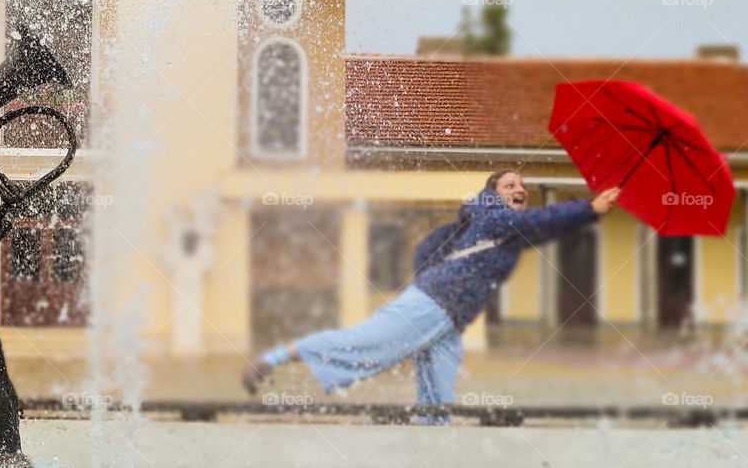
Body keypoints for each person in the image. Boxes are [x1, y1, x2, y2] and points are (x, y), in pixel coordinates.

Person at [242, 170, 620, 419]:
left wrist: (591, 211)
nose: (520, 189)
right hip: (430, 305)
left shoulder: (509, 229)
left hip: (447, 322)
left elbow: (543, 227)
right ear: (493, 193)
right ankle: (273, 358)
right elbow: (539, 221)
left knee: (437, 404)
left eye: (523, 187)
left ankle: (427, 451)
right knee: (366, 346)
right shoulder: (491, 212)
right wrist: (587, 207)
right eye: (510, 185)